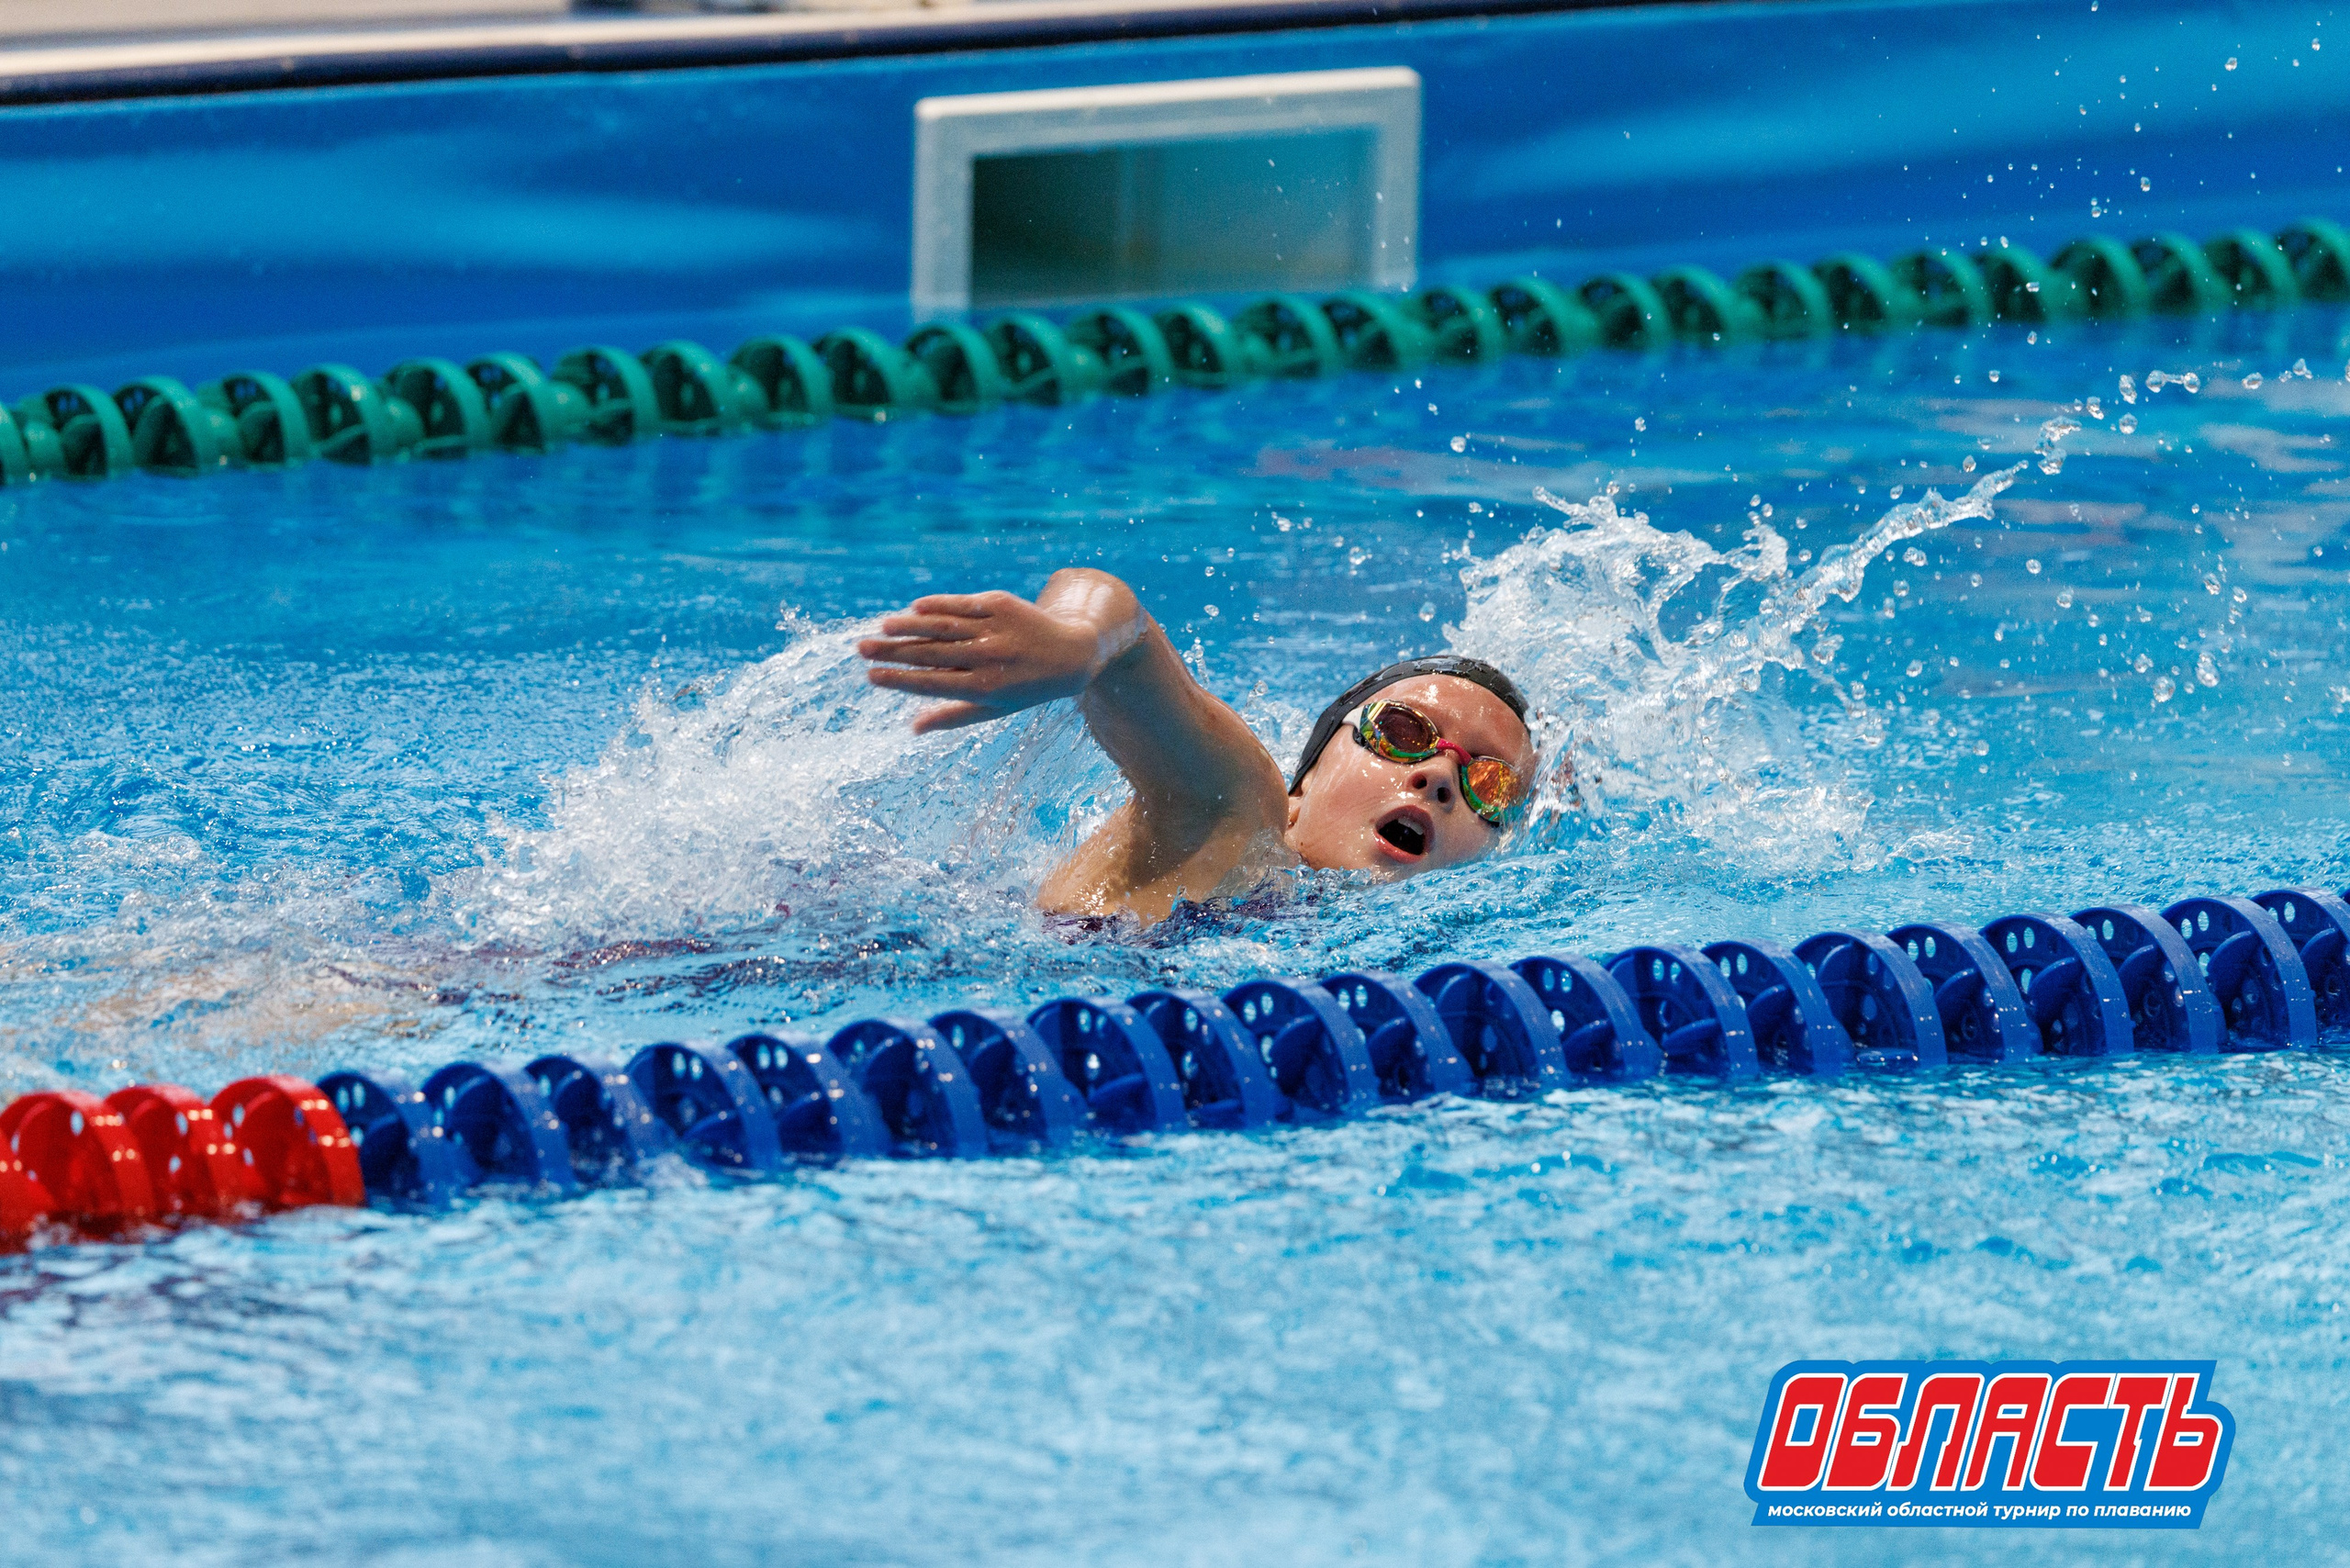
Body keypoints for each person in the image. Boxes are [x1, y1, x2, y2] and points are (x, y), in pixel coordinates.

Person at [856, 567, 1539, 926]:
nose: (1442, 776)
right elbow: (1122, 623)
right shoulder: (1243, 815)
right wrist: (1076, 643)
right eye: (1402, 732)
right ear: (1302, 788)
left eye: (1492, 785)